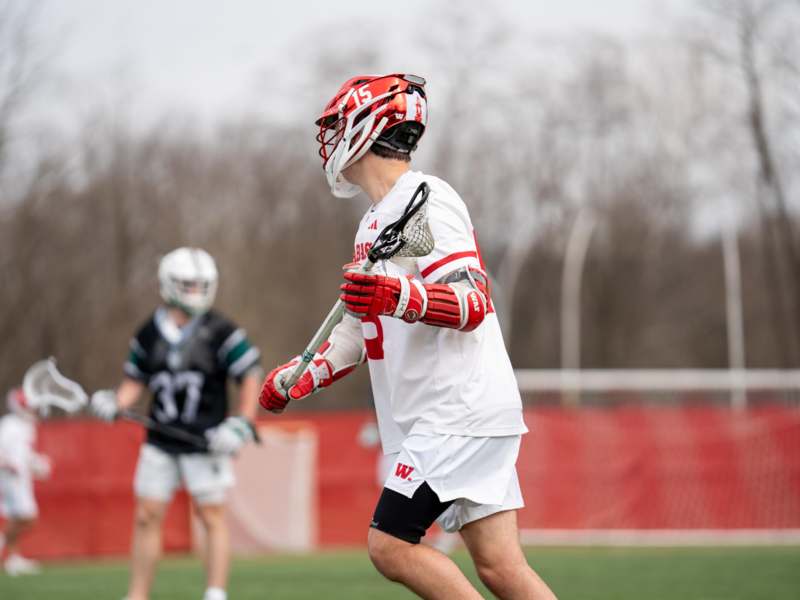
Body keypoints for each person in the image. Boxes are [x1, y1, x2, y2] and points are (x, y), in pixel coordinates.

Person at [260, 74, 557, 599]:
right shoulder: (374, 221)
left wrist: (397, 296)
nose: (329, 138)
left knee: (391, 545)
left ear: (367, 127)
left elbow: (472, 303)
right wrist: (306, 374)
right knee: (501, 568)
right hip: (450, 414)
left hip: (455, 411)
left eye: (337, 124)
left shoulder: (428, 197)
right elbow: (360, 325)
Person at [91, 247, 262, 600]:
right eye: (188, 284)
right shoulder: (149, 333)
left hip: (206, 439)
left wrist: (242, 423)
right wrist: (115, 402)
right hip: (160, 438)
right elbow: (135, 381)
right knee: (147, 514)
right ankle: (137, 595)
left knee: (210, 513)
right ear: (168, 285)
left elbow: (249, 375)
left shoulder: (221, 330)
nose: (196, 291)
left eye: (202, 284)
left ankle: (215, 593)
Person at [0, 388, 52, 576]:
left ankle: (13, 559)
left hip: (22, 478)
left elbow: (25, 455)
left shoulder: (27, 427)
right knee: (28, 518)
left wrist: (37, 464)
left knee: (17, 517)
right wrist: (7, 464)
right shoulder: (8, 425)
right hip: (10, 478)